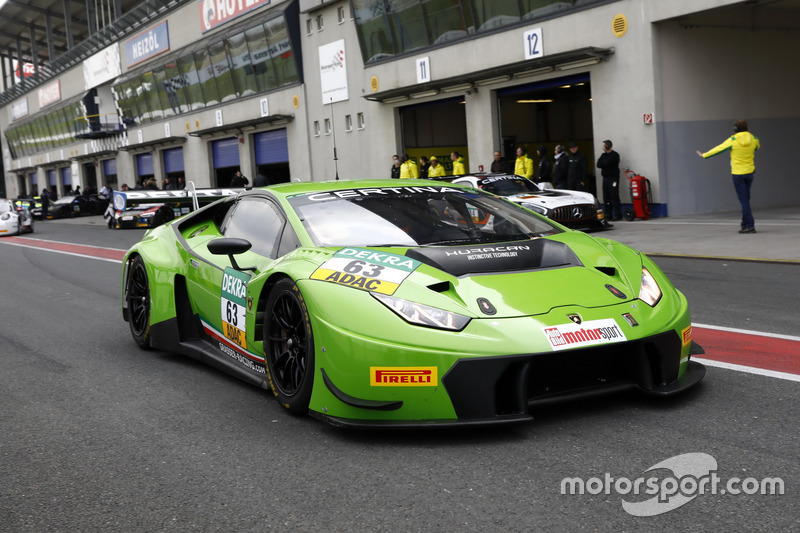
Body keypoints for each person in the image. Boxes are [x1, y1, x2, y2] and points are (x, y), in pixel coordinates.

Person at [697, 119, 760, 233]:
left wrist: (705, 155)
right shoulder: (754, 139)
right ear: (747, 128)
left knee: (744, 200)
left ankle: (750, 226)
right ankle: (744, 224)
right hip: (750, 173)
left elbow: (719, 148)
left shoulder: (733, 140)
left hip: (738, 174)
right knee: (746, 199)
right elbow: (757, 147)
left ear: (735, 129)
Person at [597, 139, 622, 221]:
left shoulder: (615, 155)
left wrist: (604, 163)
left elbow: (607, 163)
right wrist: (604, 163)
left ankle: (617, 214)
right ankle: (608, 214)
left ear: (608, 146)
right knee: (606, 196)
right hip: (605, 178)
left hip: (613, 178)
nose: (602, 147)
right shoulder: (603, 155)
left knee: (614, 196)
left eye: (603, 146)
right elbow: (598, 164)